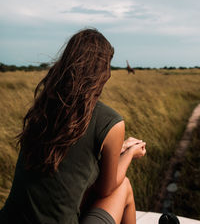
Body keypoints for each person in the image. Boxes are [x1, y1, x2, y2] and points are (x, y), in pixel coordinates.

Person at [0, 28, 146, 224]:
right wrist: (130, 154)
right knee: (124, 186)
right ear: (103, 71)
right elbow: (106, 188)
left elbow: (74, 163)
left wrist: (119, 149)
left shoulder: (44, 106)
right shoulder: (111, 121)